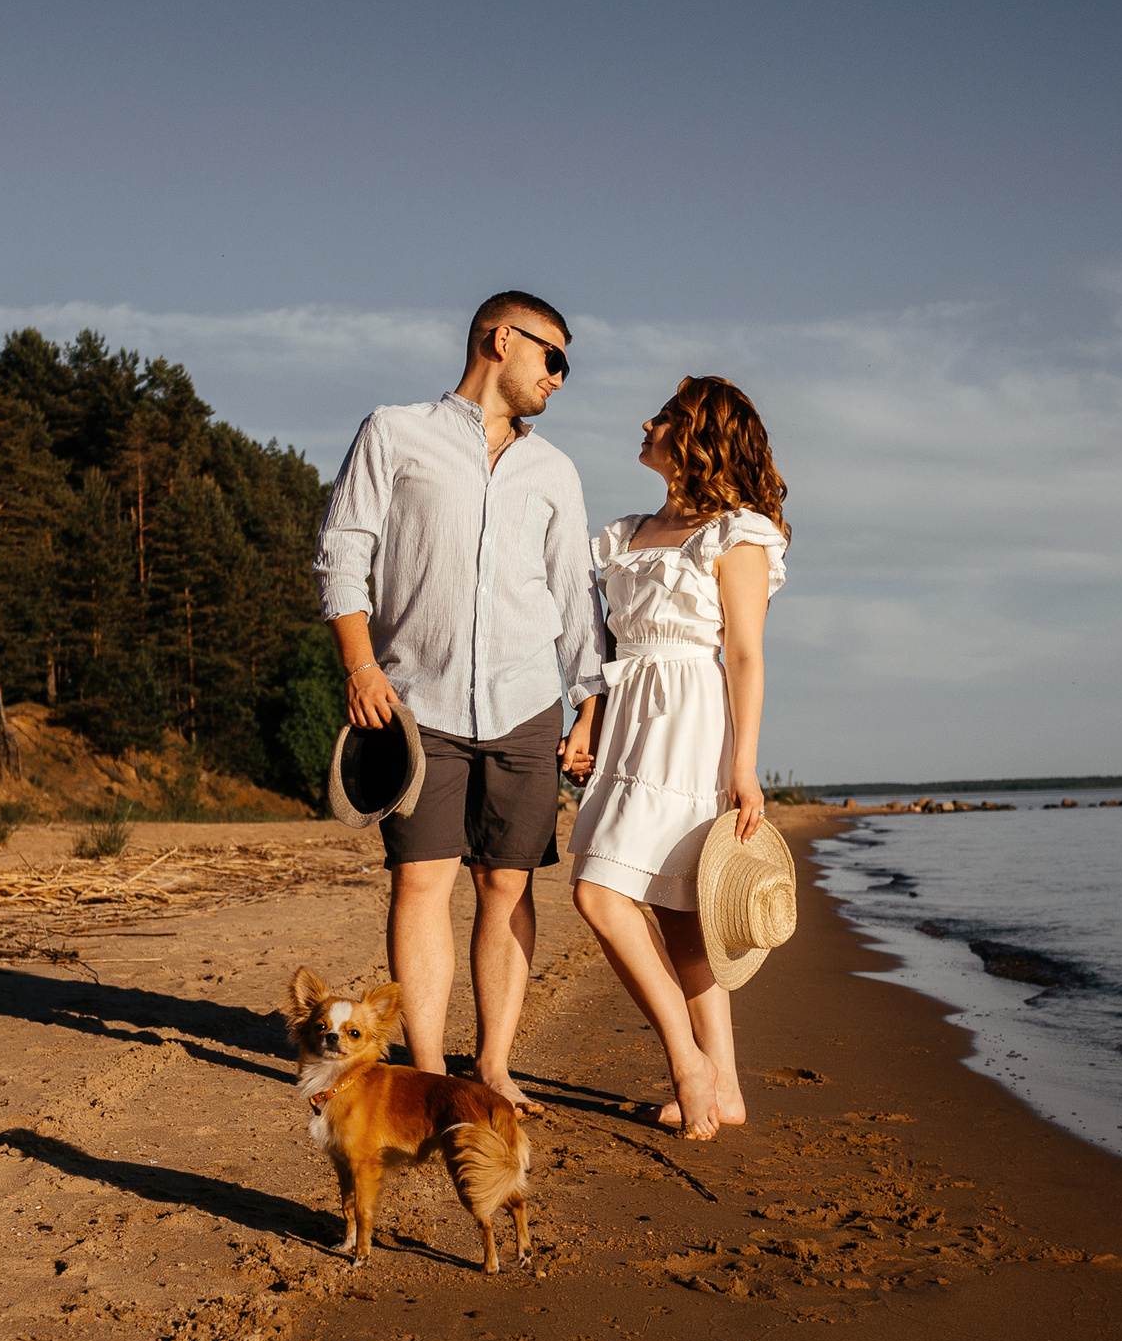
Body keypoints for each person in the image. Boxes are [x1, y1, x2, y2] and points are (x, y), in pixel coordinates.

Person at [312, 291, 603, 1115]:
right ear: (500, 339)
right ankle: (433, 1071)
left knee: (508, 887)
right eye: (554, 358)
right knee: (421, 882)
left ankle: (497, 1068)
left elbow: (576, 599)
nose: (559, 378)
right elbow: (341, 552)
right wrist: (359, 665)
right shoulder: (393, 432)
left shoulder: (555, 471)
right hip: (417, 702)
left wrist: (589, 705)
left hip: (525, 706)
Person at [561, 377, 789, 1139]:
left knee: (602, 893)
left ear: (698, 438)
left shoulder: (738, 532)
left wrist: (744, 766)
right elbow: (606, 647)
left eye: (664, 417)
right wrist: (587, 719)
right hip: (629, 713)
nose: (647, 424)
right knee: (672, 910)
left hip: (690, 717)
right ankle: (722, 1085)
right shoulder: (627, 533)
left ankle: (689, 1065)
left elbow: (747, 656)